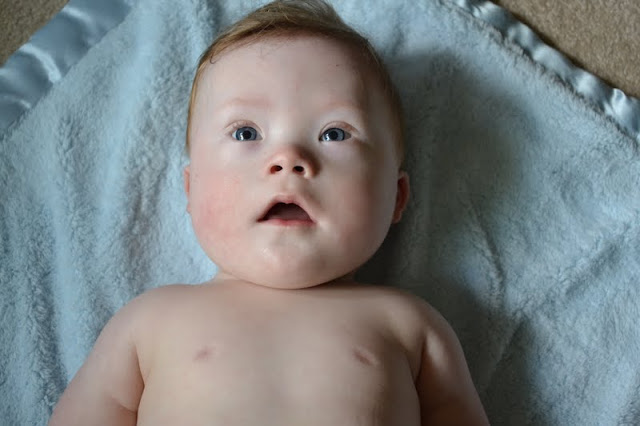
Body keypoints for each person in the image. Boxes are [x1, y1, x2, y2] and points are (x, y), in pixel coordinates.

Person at [49, 0, 489, 424]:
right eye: (245, 132)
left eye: (334, 133)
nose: (288, 158)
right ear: (190, 187)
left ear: (396, 196)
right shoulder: (149, 321)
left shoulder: (410, 327)